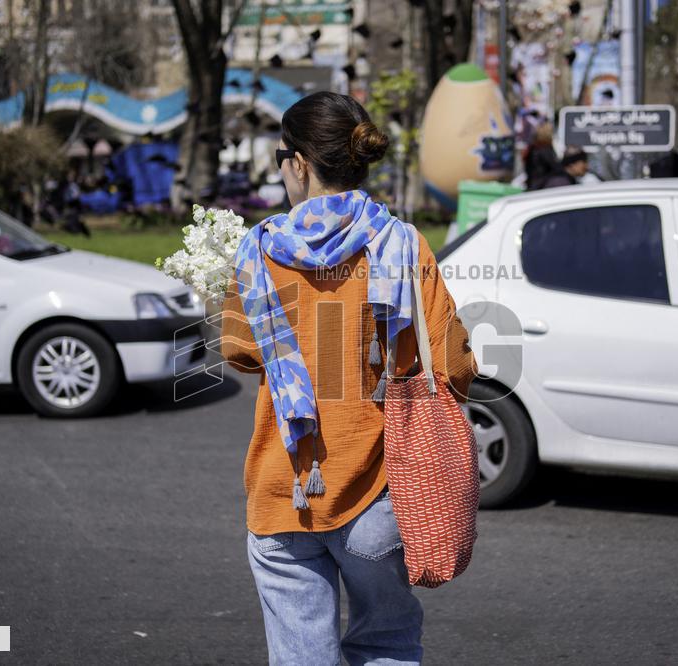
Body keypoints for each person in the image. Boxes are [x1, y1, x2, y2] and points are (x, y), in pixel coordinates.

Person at [220, 91, 478, 665]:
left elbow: (238, 352)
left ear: (299, 164)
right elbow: (455, 365)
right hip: (376, 494)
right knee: (386, 644)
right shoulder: (402, 244)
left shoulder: (259, 251)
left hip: (284, 489)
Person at [524, 121, 560, 190]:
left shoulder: (534, 148)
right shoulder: (544, 150)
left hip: (534, 184)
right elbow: (555, 168)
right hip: (541, 186)